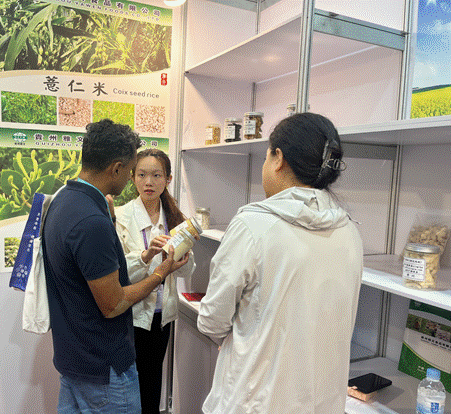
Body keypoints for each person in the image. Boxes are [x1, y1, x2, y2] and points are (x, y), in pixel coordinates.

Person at [197, 112, 363, 413]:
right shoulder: (349, 231)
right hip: (322, 403)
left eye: (266, 157)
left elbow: (212, 319)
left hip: (254, 402)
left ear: (278, 159)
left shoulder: (252, 226)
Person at [42, 119, 189, 414]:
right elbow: (113, 304)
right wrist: (161, 272)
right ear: (118, 168)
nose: (143, 181)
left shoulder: (63, 200)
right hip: (103, 367)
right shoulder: (91, 220)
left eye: (156, 175)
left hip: (75, 359)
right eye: (136, 171)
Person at [115, 149, 196, 414]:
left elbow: (186, 271)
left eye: (156, 175)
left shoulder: (174, 217)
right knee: (128, 388)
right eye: (141, 175)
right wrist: (146, 255)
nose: (148, 182)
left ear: (168, 179)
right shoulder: (120, 217)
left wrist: (181, 259)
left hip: (162, 317)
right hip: (131, 315)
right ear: (132, 178)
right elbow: (118, 273)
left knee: (152, 386)